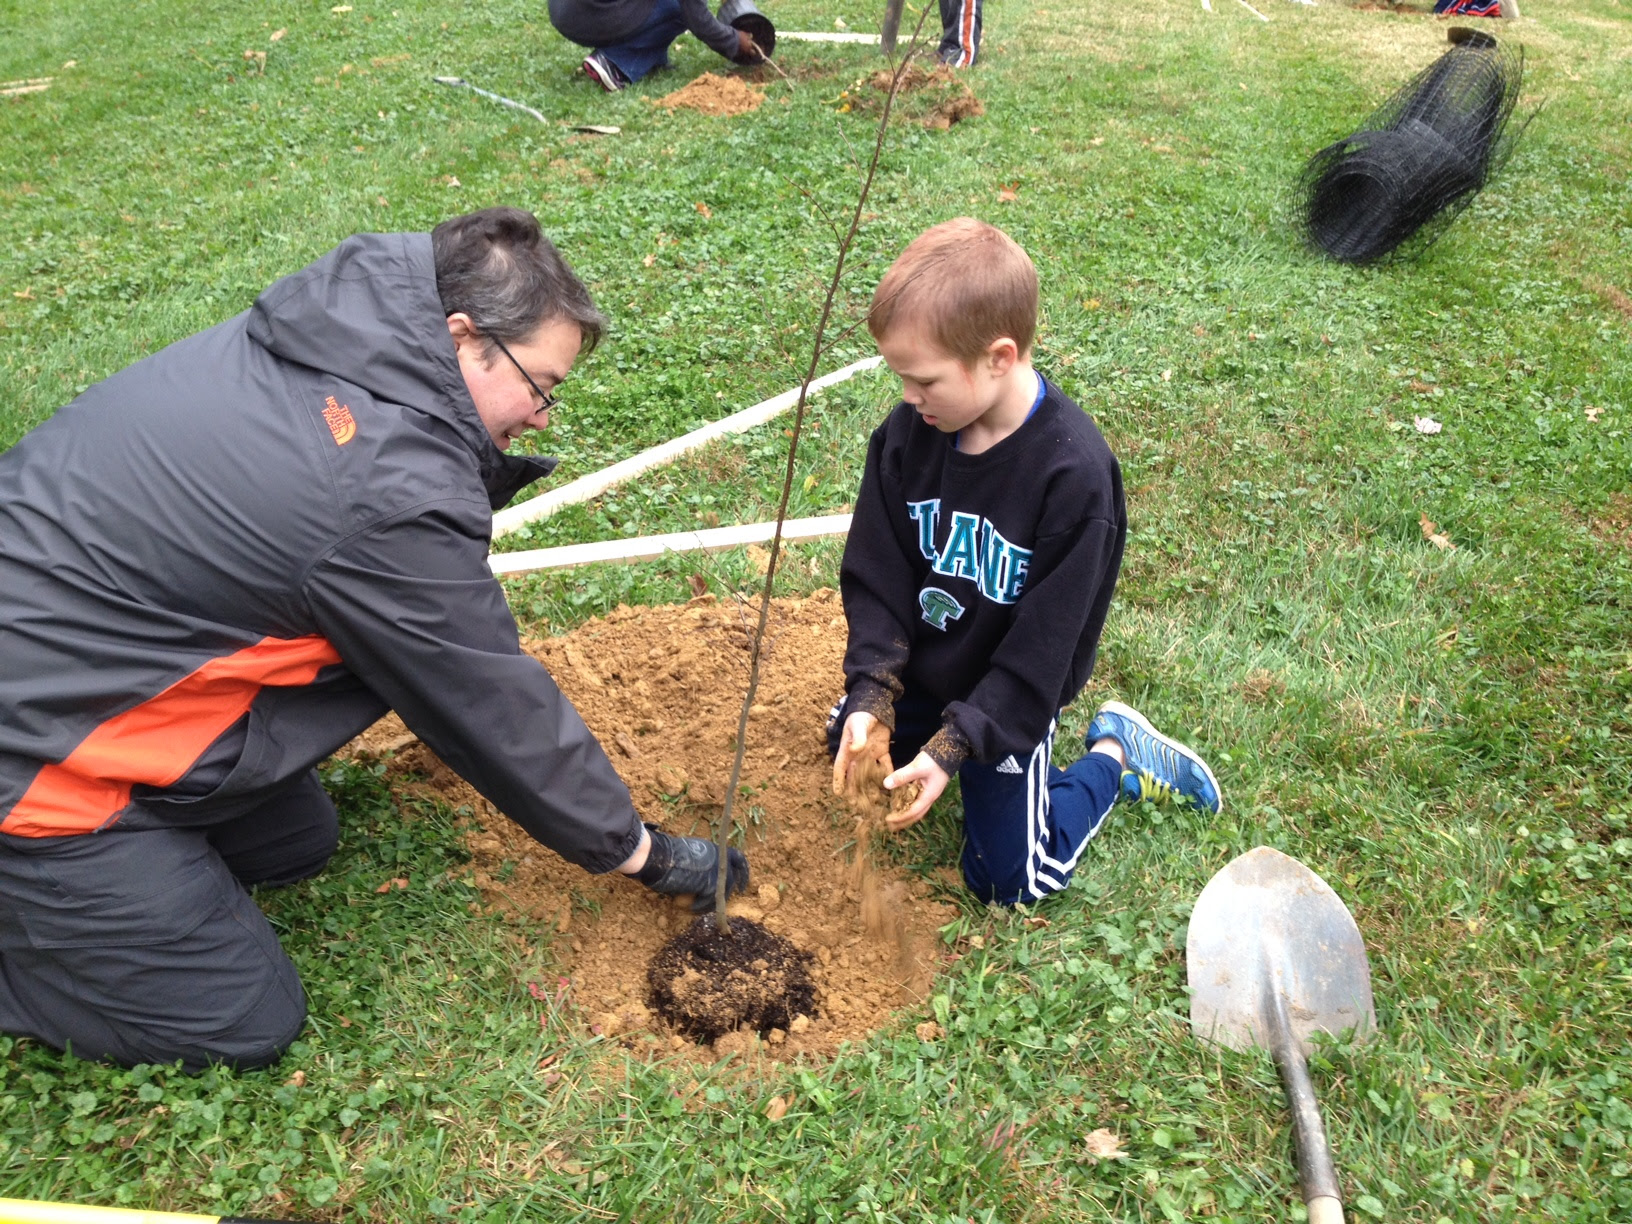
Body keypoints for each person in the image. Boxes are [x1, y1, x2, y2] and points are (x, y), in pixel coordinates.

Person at [0, 207, 747, 1071]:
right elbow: (483, 700)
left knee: (296, 845)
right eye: (540, 384)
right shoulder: (380, 488)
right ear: (462, 337)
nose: (544, 416)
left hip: (73, 643)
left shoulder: (337, 334)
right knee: (240, 1019)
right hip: (35, 747)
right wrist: (643, 853)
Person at [828, 218, 1222, 907]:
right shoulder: (907, 436)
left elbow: (1043, 653)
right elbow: (878, 575)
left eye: (923, 381)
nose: (909, 397)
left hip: (1009, 694)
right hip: (930, 668)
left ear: (999, 357)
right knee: (848, 737)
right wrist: (872, 693)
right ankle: (905, 714)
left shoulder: (1074, 480)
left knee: (1008, 880)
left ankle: (1116, 755)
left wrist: (957, 744)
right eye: (901, 379)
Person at [548, 0, 762, 91]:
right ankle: (615, 63)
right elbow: (697, 18)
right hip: (591, 14)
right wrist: (734, 41)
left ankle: (650, 59)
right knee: (678, 9)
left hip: (563, 11)